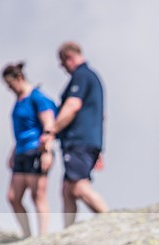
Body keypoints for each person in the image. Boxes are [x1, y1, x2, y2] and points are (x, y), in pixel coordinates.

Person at [45, 41, 109, 227]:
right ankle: (69, 231)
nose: (62, 68)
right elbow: (101, 115)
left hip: (79, 140)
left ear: (68, 58)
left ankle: (110, 219)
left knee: (79, 187)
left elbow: (72, 105)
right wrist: (99, 148)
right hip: (88, 141)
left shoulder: (81, 76)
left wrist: (52, 130)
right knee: (67, 189)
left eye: (62, 63)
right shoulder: (92, 77)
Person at [2, 62, 57, 238]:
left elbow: (49, 124)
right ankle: (26, 234)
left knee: (37, 195)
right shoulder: (18, 101)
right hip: (21, 151)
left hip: (37, 149)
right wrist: (13, 151)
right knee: (13, 197)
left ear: (19, 78)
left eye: (10, 85)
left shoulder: (37, 97)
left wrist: (47, 151)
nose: (9, 89)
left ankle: (43, 236)